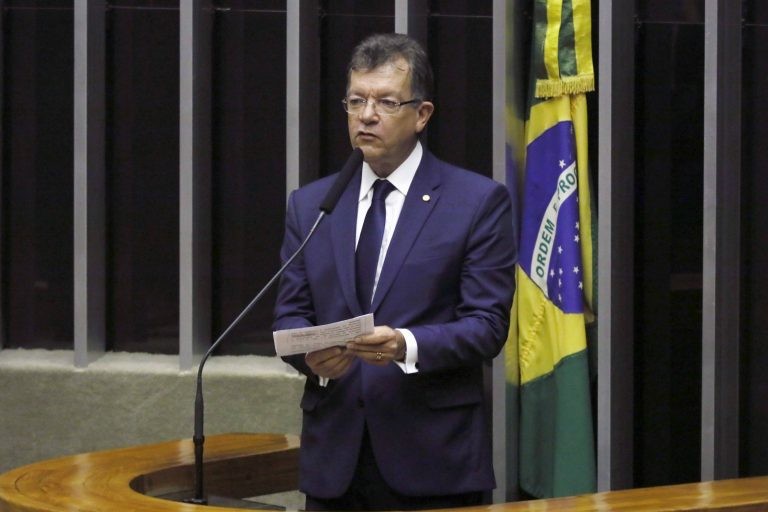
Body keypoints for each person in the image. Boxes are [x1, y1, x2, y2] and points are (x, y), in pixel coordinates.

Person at [274, 33, 517, 511]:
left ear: (422, 114)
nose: (367, 115)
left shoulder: (476, 202)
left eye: (386, 102)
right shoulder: (312, 206)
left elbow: (487, 327)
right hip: (335, 464)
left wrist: (404, 344)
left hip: (433, 460)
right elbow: (290, 317)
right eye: (356, 100)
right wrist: (311, 357)